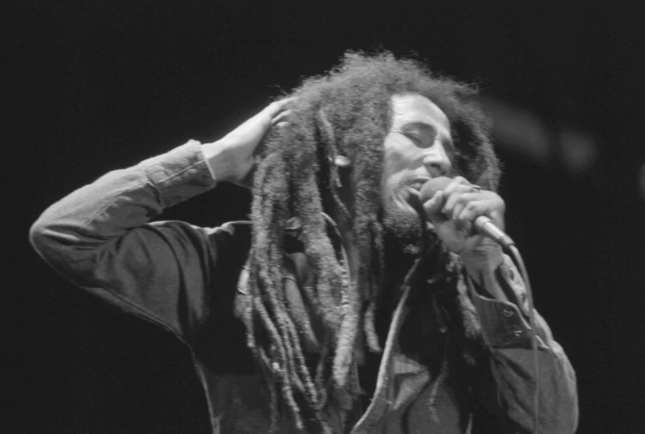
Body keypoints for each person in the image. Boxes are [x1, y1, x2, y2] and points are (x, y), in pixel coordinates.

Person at [30, 52, 578, 433]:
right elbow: (67, 235)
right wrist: (212, 160)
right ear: (344, 148)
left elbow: (550, 423)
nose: (439, 160)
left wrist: (486, 269)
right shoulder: (232, 264)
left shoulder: (464, 288)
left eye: (450, 153)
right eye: (416, 137)